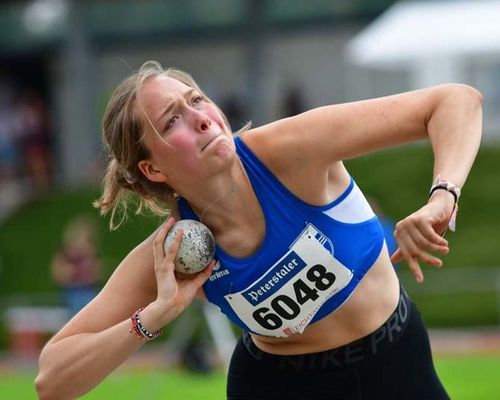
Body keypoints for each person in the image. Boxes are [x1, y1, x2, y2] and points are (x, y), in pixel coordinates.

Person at [35, 60, 482, 400]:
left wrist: (442, 197)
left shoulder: (290, 152)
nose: (202, 117)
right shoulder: (174, 254)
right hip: (279, 386)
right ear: (152, 168)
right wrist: (153, 317)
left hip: (395, 362)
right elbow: (51, 380)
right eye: (172, 120)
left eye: (196, 100)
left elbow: (455, 101)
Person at [50, 216, 102, 316]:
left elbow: (96, 272)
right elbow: (58, 272)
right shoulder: (66, 252)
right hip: (72, 291)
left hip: (87, 289)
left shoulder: (90, 253)